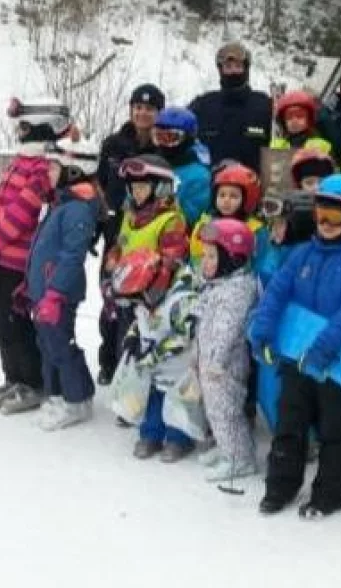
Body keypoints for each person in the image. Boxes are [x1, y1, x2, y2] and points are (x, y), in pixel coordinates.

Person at [248, 175, 341, 519]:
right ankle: (281, 485)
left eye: (335, 217)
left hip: (336, 361)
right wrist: (262, 329)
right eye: (321, 213)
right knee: (290, 421)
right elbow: (277, 291)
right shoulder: (304, 252)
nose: (325, 223)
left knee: (334, 428)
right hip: (296, 356)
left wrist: (322, 350)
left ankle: (332, 493)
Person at [0, 96, 72, 416]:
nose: (19, 133)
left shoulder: (44, 168)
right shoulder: (21, 162)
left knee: (13, 320)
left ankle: (33, 380)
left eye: (25, 127)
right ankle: (13, 376)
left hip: (20, 259)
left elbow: (20, 214)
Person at [27, 138, 102, 431]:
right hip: (44, 291)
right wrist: (32, 287)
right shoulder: (61, 204)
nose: (49, 173)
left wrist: (55, 293)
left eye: (54, 168)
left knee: (60, 345)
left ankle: (75, 399)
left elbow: (73, 255)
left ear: (74, 170)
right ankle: (60, 394)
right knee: (48, 344)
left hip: (59, 293)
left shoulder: (78, 209)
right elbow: (42, 249)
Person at [99, 155, 189, 385]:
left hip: (151, 301)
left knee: (144, 349)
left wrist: (152, 295)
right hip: (125, 296)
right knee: (124, 345)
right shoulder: (130, 216)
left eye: (143, 187)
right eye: (134, 187)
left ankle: (143, 396)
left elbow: (172, 260)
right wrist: (111, 270)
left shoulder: (171, 220)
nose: (137, 192)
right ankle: (128, 395)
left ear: (160, 188)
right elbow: (120, 246)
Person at [117, 258, 203, 462]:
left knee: (179, 405)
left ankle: (180, 439)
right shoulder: (146, 302)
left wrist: (154, 355)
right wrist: (132, 337)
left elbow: (183, 336)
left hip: (180, 370)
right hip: (155, 369)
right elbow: (140, 321)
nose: (137, 303)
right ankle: (151, 435)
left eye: (138, 298)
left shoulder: (182, 300)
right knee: (154, 401)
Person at [195, 219, 261, 484]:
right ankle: (228, 449)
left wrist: (215, 361)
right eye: (205, 255)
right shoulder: (220, 284)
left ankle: (239, 460)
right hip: (211, 361)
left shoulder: (236, 290)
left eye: (212, 256)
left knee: (226, 411)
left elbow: (226, 329)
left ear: (232, 259)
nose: (205, 262)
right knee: (215, 411)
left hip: (224, 365)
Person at [98, 84, 165, 253]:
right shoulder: (112, 144)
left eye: (149, 109)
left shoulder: (164, 149)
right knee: (110, 277)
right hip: (114, 227)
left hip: (148, 230)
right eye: (138, 107)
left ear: (159, 113)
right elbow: (100, 185)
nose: (142, 113)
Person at [190, 41, 272, 172]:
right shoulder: (203, 105)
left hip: (254, 186)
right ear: (220, 70)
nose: (233, 72)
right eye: (228, 67)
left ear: (246, 69)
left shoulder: (264, 105)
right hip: (210, 186)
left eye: (238, 66)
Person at [153, 106, 212, 227]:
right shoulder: (150, 166)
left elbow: (194, 217)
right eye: (159, 137)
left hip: (178, 237)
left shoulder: (200, 176)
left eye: (170, 138)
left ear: (187, 138)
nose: (163, 145)